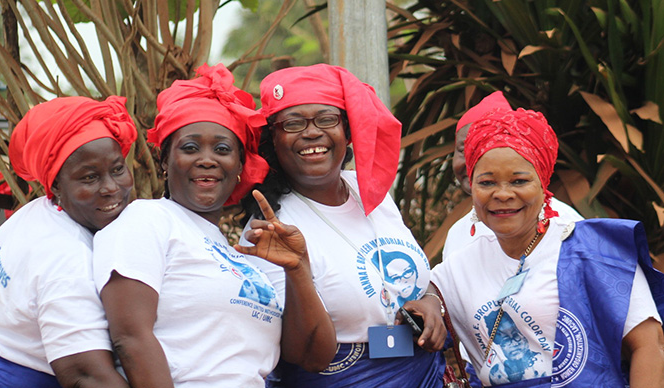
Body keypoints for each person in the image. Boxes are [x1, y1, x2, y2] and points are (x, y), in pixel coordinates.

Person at [92, 63, 336, 388]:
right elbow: (131, 339)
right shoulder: (146, 220)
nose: (207, 159)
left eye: (222, 150)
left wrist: (298, 269)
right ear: (165, 161)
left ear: (239, 167)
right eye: (190, 148)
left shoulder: (235, 252)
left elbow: (312, 357)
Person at [240, 63, 447, 387]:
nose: (311, 132)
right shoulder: (270, 230)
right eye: (292, 123)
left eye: (326, 119)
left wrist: (432, 303)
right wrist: (298, 270)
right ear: (273, 140)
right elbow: (307, 355)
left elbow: (415, 276)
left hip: (424, 375)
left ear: (347, 130)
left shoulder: (370, 193)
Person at [431, 105, 664, 387]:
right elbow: (424, 300)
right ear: (472, 187)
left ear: (543, 184)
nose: (503, 194)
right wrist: (426, 302)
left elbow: (650, 345)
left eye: (519, 181)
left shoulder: (592, 252)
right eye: (487, 182)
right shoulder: (459, 264)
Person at [0, 96, 137, 388]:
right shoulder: (67, 259)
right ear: (57, 185)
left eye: (117, 169)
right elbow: (86, 376)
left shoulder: (36, 213)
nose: (111, 187)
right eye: (90, 177)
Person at [443, 91, 583, 261]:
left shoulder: (570, 233)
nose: (473, 163)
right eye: (463, 150)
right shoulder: (458, 235)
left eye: (518, 181)